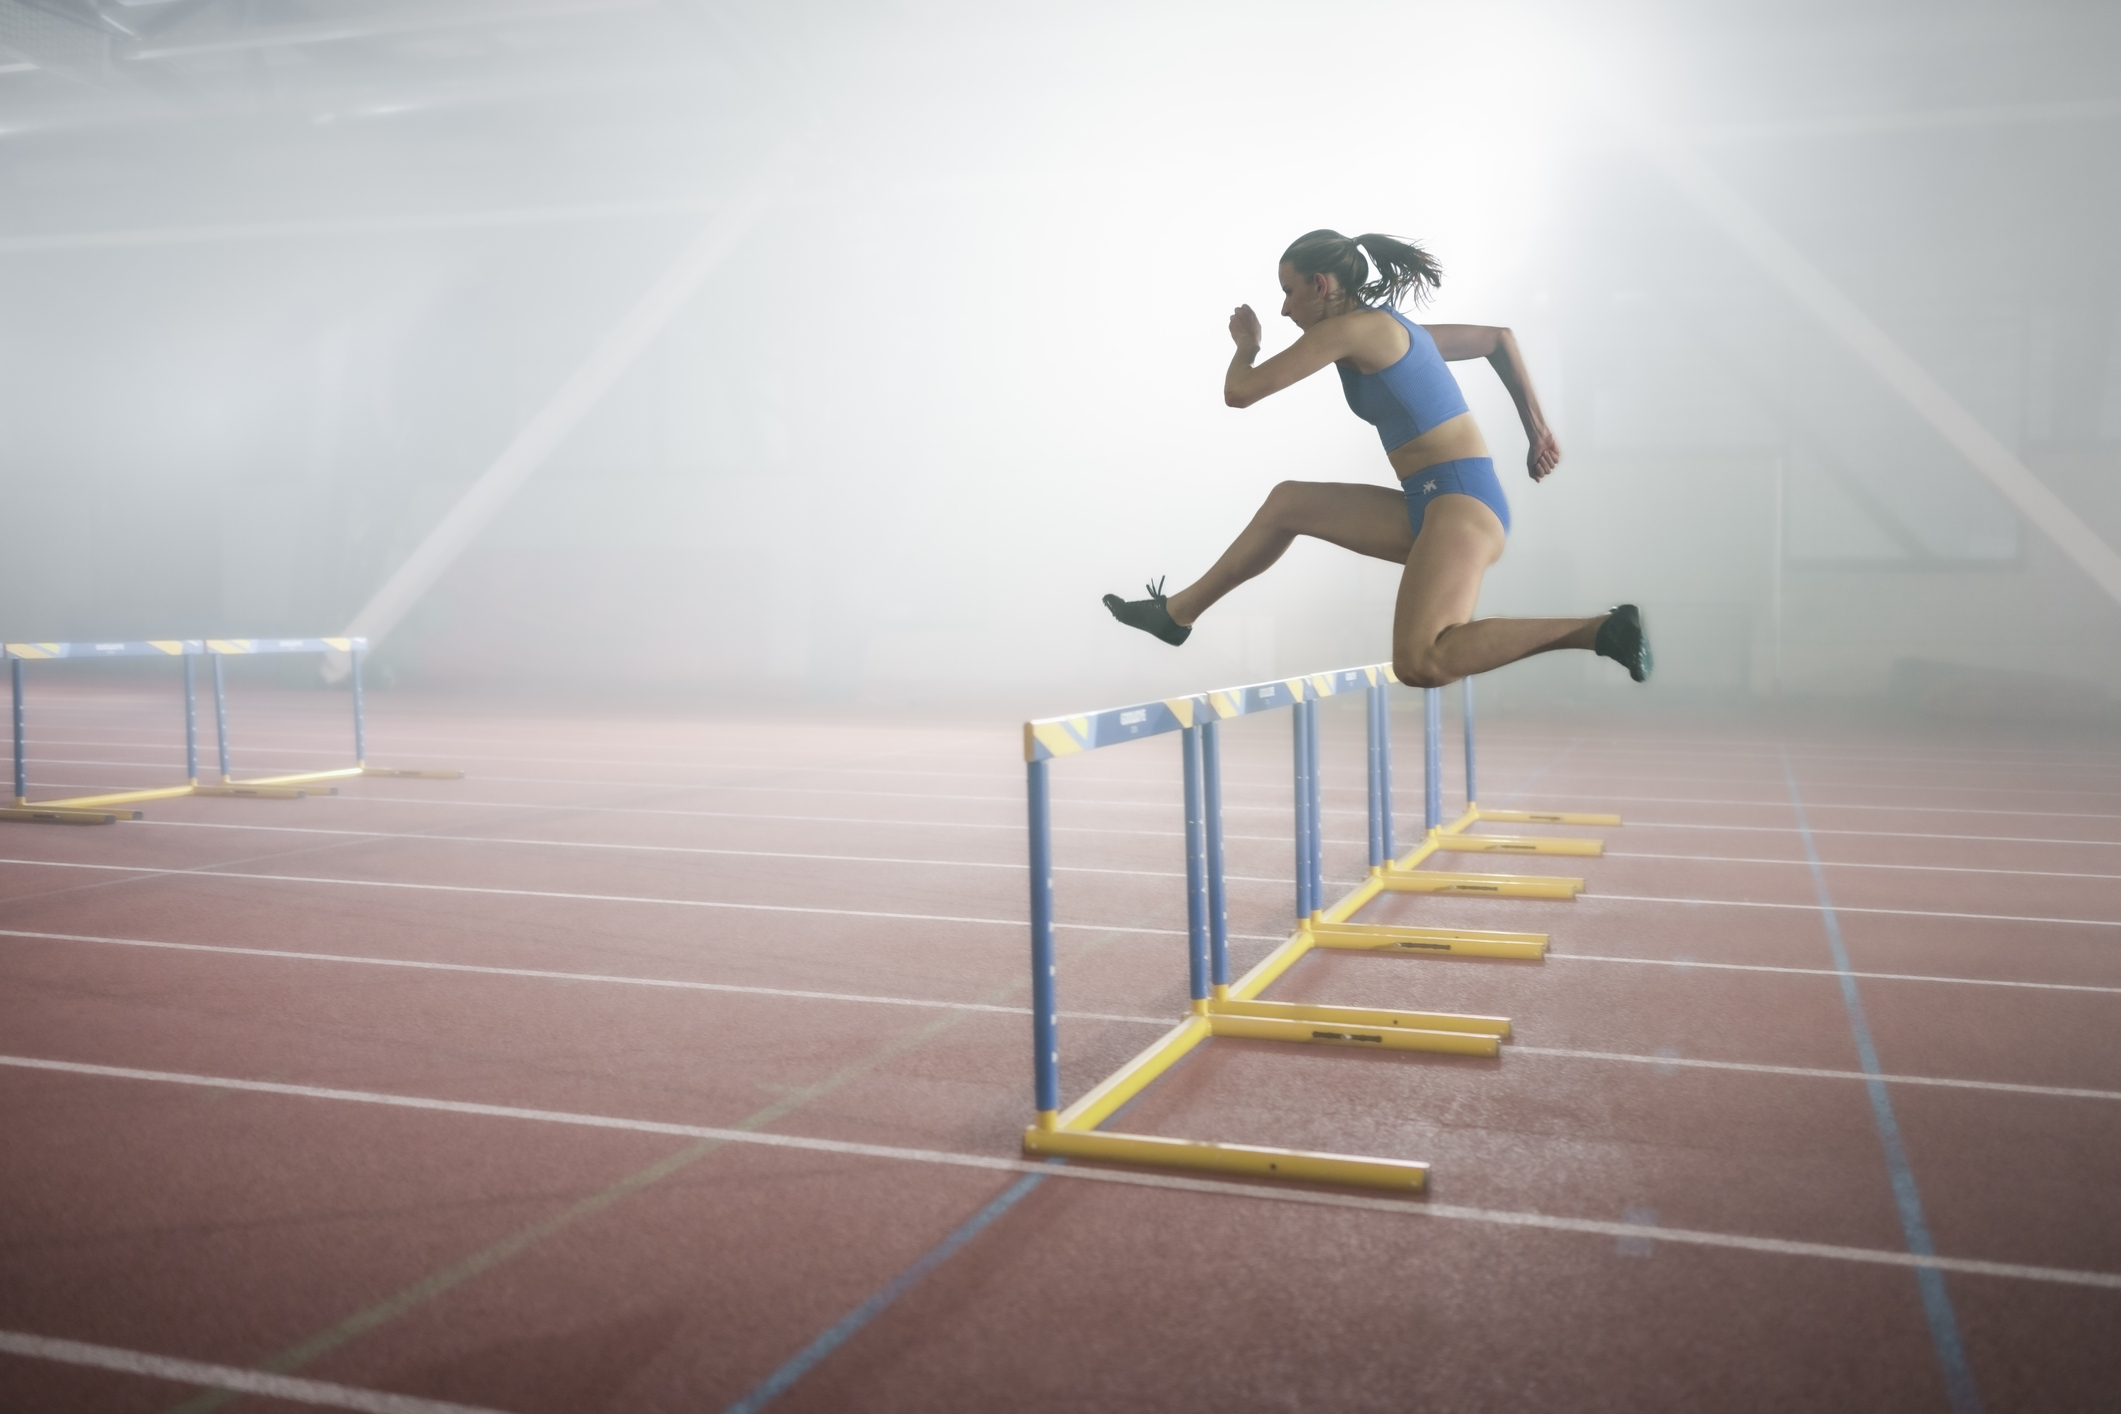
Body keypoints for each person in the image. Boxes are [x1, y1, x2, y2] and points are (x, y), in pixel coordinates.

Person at [1103, 229, 1649, 688]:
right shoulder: (1392, 330)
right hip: (1433, 504)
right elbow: (1497, 339)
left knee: (1422, 660)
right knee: (1289, 503)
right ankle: (1176, 615)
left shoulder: (1350, 330)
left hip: (1460, 504)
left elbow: (1240, 392)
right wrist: (1538, 432)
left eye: (1289, 292)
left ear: (1322, 285)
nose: (1285, 308)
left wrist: (1247, 346)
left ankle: (1601, 630)